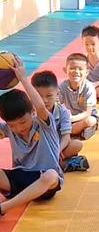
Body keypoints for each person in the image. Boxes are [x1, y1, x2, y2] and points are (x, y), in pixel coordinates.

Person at [0, 58, 63, 216]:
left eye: (23, 122)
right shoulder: (8, 129)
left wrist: (22, 78)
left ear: (33, 113)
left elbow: (40, 106)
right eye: (13, 125)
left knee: (51, 175)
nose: (19, 128)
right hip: (20, 177)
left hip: (45, 181)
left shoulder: (43, 125)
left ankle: (3, 208)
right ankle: (22, 196)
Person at [31, 70, 89, 172]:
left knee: (77, 145)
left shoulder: (63, 113)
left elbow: (66, 137)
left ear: (57, 93)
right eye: (39, 96)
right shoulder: (31, 113)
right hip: (38, 149)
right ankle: (64, 164)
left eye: (49, 96)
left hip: (58, 147)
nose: (44, 101)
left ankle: (55, 163)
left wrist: (57, 150)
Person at [59, 53, 99, 140]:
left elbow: (88, 112)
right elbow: (57, 105)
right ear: (65, 70)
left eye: (80, 69)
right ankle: (78, 131)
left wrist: (71, 119)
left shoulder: (89, 87)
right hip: (71, 118)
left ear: (87, 72)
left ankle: (71, 131)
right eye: (72, 68)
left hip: (87, 117)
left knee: (90, 121)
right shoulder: (62, 86)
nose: (76, 71)